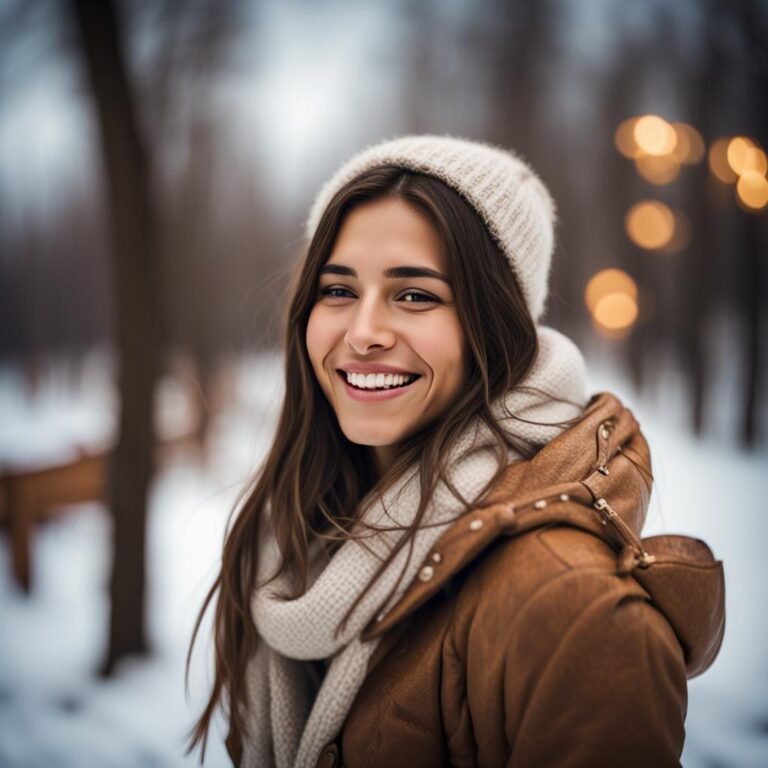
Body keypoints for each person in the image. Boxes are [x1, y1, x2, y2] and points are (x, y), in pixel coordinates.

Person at [188, 135, 725, 768]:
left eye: (415, 295)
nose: (363, 332)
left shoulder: (569, 611)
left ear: (494, 326)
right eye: (338, 291)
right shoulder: (292, 547)